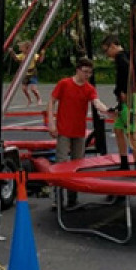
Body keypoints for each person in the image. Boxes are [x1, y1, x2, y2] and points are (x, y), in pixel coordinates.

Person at [47, 57, 111, 207]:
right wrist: (51, 122)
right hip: (64, 129)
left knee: (77, 165)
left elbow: (96, 102)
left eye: (90, 72)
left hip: (79, 131)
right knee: (61, 163)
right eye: (85, 72)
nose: (87, 75)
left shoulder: (89, 88)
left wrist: (107, 110)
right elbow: (52, 101)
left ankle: (72, 198)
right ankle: (58, 198)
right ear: (78, 70)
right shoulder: (64, 83)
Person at [101, 34, 136, 172]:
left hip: (129, 100)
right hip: (125, 99)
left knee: (131, 133)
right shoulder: (125, 56)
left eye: (106, 50)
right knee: (118, 130)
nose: (107, 54)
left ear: (113, 46)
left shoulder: (121, 58)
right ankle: (124, 163)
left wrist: (124, 91)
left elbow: (128, 73)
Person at [12, 40, 45, 105]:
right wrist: (12, 52)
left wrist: (42, 54)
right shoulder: (22, 55)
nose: (21, 49)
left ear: (27, 48)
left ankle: (39, 98)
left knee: (33, 89)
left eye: (22, 47)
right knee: (24, 89)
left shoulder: (33, 55)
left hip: (32, 73)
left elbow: (40, 60)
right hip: (25, 74)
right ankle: (30, 100)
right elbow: (16, 58)